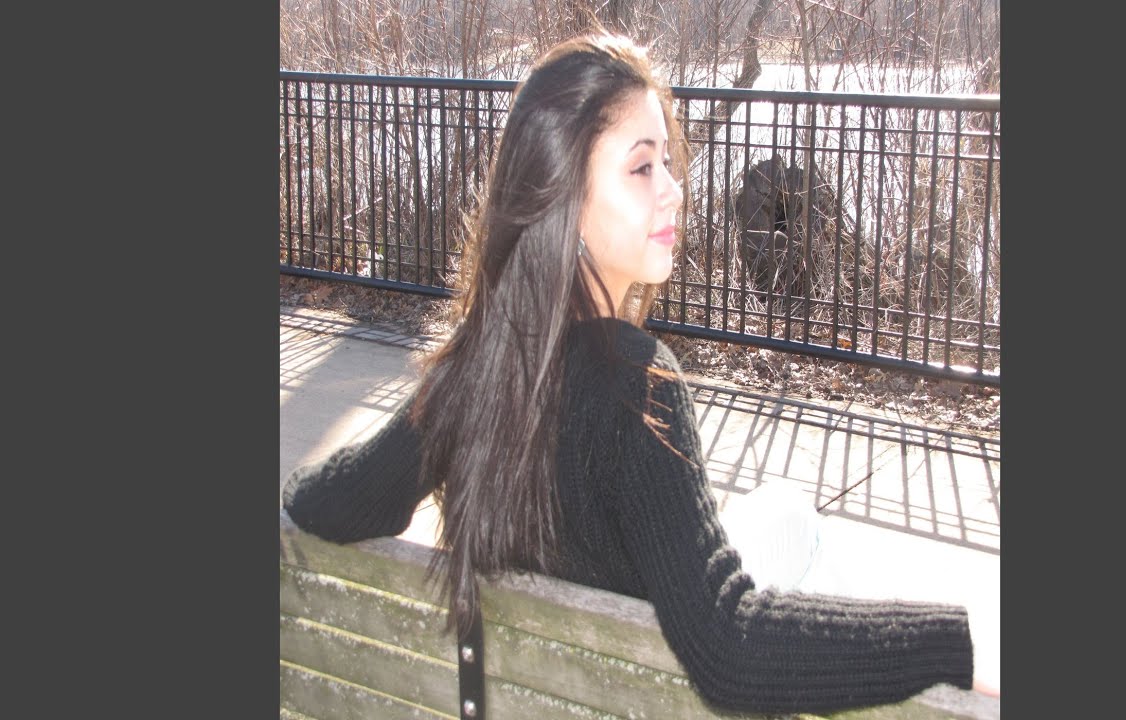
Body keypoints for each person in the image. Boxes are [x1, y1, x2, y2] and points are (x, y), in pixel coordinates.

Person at [282, 32, 996, 714]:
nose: (674, 190)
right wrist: (955, 646)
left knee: (784, 509)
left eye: (668, 164)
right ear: (564, 196)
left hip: (551, 687)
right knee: (805, 535)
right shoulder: (633, 386)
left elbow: (323, 503)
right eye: (642, 167)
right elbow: (729, 647)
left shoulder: (470, 376)